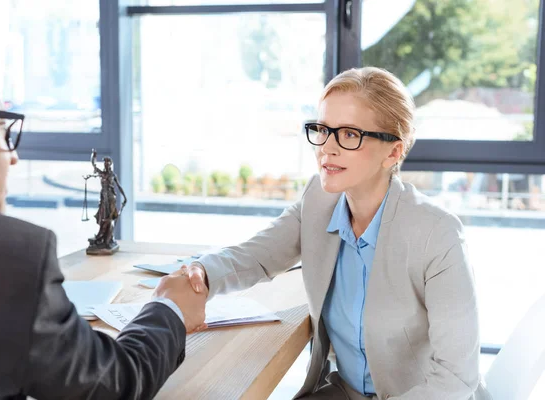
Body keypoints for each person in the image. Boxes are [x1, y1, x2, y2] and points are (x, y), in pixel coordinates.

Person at [182, 67, 490, 399]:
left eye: (348, 134)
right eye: (323, 130)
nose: (327, 147)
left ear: (393, 152)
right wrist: (202, 272)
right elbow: (256, 256)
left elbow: (456, 378)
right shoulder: (318, 199)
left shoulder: (437, 233)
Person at [0, 39, 207, 399]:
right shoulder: (3, 259)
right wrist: (169, 307)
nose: (13, 159)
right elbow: (113, 384)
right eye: (4, 133)